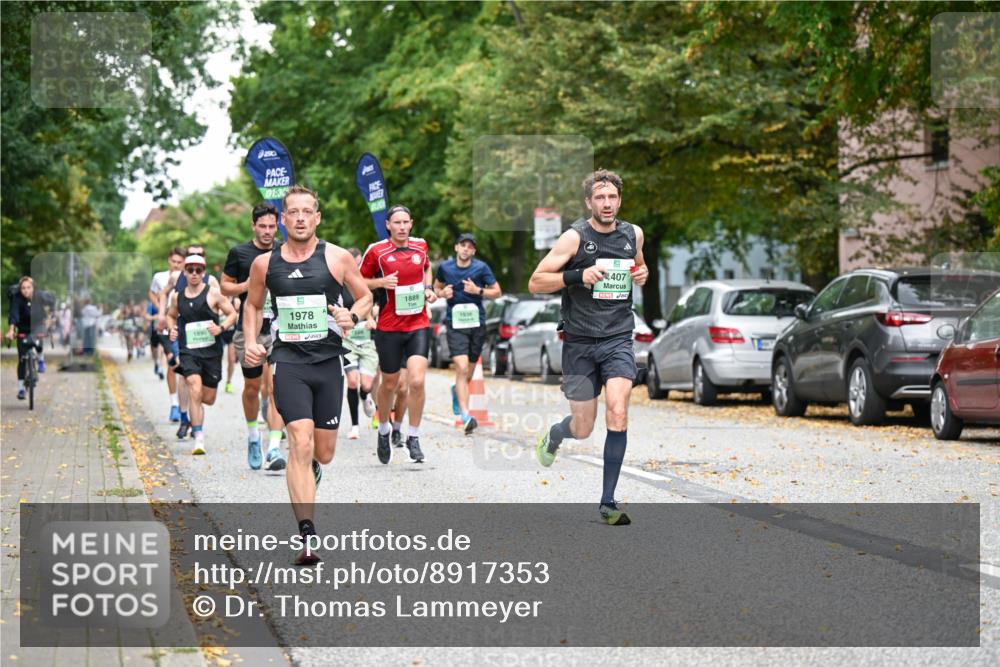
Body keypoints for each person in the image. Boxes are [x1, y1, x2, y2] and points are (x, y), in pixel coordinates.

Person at [243, 185, 372, 565]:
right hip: (289, 363)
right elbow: (252, 306)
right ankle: (307, 537)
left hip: (328, 363)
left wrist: (355, 314)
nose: (300, 217)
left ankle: (311, 469)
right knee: (298, 441)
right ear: (283, 219)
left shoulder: (336, 257)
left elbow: (365, 296)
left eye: (307, 211)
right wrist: (252, 340)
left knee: (324, 453)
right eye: (293, 212)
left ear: (317, 218)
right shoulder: (264, 265)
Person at [528, 169, 649, 526]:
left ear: (620, 200)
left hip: (617, 339)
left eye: (612, 197)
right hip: (579, 343)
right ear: (588, 202)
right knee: (583, 428)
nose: (607, 203)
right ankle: (555, 434)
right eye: (600, 198)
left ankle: (608, 501)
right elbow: (536, 282)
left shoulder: (633, 234)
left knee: (618, 412)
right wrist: (578, 275)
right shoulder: (574, 238)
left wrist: (642, 275)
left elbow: (639, 268)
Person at [360, 205, 437, 465]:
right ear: (388, 225)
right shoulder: (376, 251)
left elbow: (427, 267)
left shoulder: (420, 246)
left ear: (411, 223)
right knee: (390, 384)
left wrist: (428, 288)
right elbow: (358, 281)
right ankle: (383, 429)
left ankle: (413, 436)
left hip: (418, 324)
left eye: (406, 222)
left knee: (416, 381)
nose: (402, 227)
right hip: (389, 327)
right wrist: (380, 283)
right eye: (397, 223)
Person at [221, 203, 287, 471]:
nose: (268, 231)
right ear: (253, 226)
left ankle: (273, 447)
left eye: (272, 226)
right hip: (248, 330)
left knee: (276, 388)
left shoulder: (284, 251)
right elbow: (225, 286)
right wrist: (247, 286)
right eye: (263, 226)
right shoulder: (240, 253)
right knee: (252, 387)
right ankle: (252, 436)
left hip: (280, 329)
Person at [167, 254, 237, 455]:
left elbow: (232, 313)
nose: (194, 274)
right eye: (190, 270)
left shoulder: (213, 294)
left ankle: (196, 414)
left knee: (208, 397)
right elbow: (171, 315)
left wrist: (221, 327)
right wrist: (172, 329)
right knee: (194, 390)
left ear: (204, 272)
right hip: (189, 352)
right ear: (185, 273)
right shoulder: (177, 296)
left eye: (198, 270)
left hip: (211, 353)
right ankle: (198, 438)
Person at [433, 232, 502, 434]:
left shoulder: (481, 268)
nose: (465, 249)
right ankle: (465, 415)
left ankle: (458, 390)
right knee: (461, 369)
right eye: (462, 245)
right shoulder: (445, 268)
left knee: (469, 372)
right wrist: (442, 293)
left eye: (470, 246)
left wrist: (478, 291)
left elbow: (497, 291)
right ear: (456, 248)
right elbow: (435, 289)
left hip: (476, 324)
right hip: (455, 323)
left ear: (473, 251)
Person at [160, 245, 220, 439]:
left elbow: (220, 305)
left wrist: (218, 326)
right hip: (183, 335)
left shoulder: (211, 280)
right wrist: (164, 318)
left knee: (206, 396)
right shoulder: (176, 278)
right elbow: (164, 294)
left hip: (206, 341)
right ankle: (185, 417)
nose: (195, 262)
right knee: (185, 376)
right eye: (191, 256)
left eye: (200, 256)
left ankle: (194, 408)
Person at [340, 248, 378, 440]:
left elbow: (368, 303)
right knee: (353, 381)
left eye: (359, 262)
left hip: (365, 341)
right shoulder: (338, 283)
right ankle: (355, 425)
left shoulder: (364, 283)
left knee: (366, 385)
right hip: (347, 342)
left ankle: (366, 396)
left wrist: (371, 318)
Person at [152, 248, 185, 418]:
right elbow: (154, 294)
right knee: (173, 363)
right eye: (174, 261)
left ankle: (184, 404)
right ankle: (174, 404)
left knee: (185, 365)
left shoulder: (191, 276)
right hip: (167, 325)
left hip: (185, 325)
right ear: (169, 261)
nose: (177, 264)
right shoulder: (160, 277)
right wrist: (160, 314)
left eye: (180, 262)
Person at [6, 277, 40, 399]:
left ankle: (40, 359)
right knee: (21, 359)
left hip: (36, 329)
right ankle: (21, 389)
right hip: (23, 331)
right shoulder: (17, 299)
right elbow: (14, 315)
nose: (25, 290)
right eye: (23, 288)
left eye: (28, 287)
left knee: (39, 345)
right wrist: (11, 330)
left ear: (33, 288)